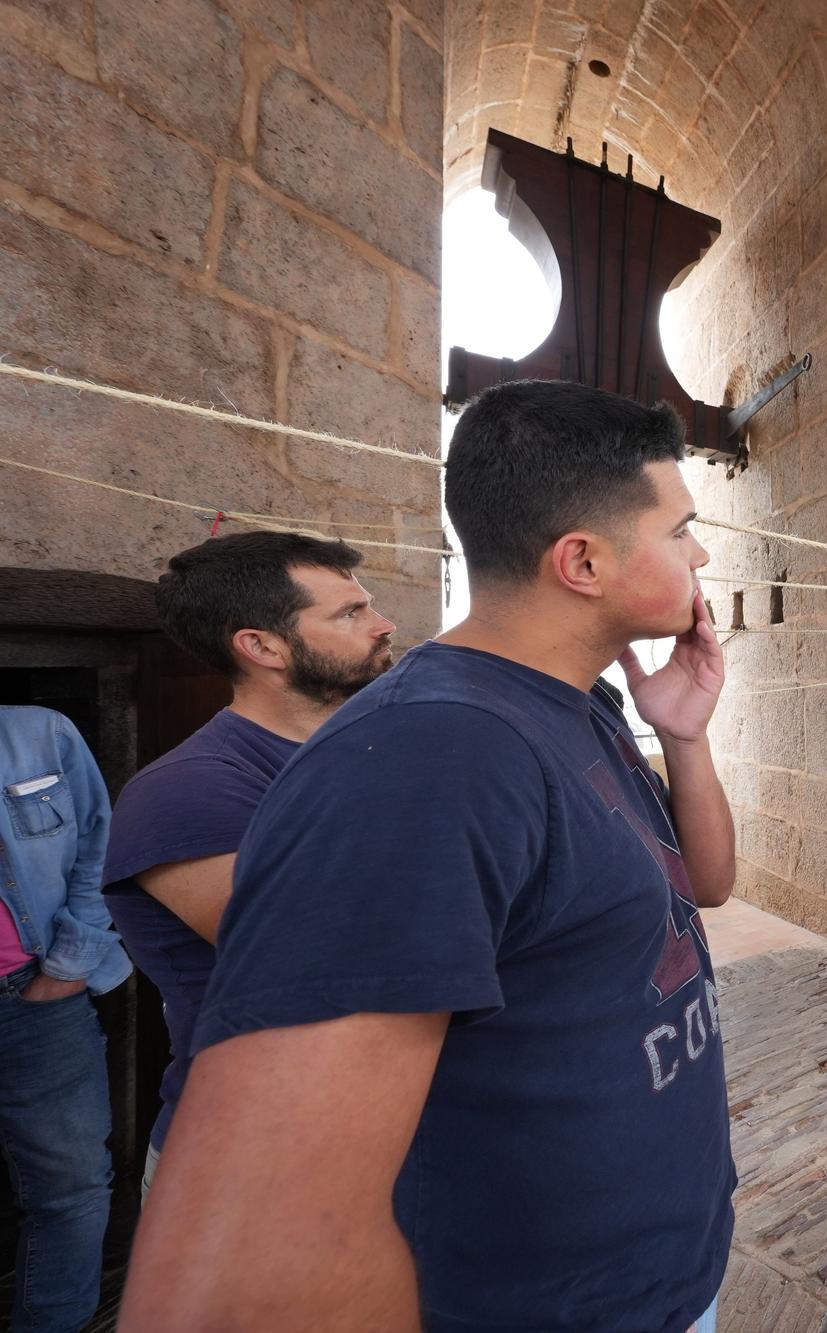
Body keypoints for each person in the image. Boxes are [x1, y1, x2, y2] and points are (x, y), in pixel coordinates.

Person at [122, 380, 738, 1333]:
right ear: (582, 560)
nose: (699, 554)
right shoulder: (432, 755)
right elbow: (255, 1268)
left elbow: (701, 887)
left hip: (653, 1283)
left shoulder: (577, 705)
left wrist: (686, 737)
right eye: (681, 529)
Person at [101, 533, 396, 1200]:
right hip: (254, 1164)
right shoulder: (186, 792)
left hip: (388, 1140)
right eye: (349, 613)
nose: (385, 625)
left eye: (368, 604)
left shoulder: (386, 753)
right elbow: (332, 964)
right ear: (261, 646)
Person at [0, 705, 124, 1333]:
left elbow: (100, 850)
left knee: (71, 1189)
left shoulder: (40, 734)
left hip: (35, 1000)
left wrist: (68, 969)